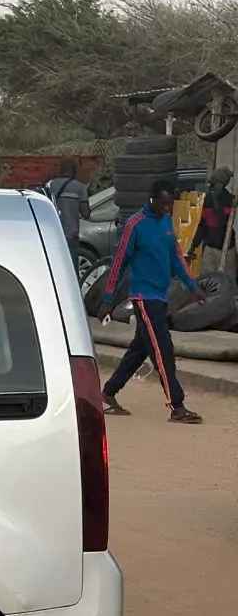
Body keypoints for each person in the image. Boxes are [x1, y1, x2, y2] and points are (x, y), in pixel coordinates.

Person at [101, 179, 203, 424]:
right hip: (144, 297)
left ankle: (108, 393)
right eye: (164, 203)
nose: (167, 208)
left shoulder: (166, 221)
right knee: (162, 349)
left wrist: (193, 287)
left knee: (141, 349)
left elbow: (176, 257)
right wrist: (108, 299)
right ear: (152, 199)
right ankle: (177, 406)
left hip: (161, 294)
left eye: (170, 204)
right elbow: (119, 263)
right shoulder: (135, 224)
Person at [44, 158, 91, 269]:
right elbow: (86, 213)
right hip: (71, 233)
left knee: (54, 266)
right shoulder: (79, 187)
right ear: (74, 171)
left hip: (52, 234)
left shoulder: (50, 186)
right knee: (70, 268)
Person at [193, 166, 234, 262]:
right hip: (209, 248)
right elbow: (202, 226)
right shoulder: (207, 200)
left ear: (221, 185)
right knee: (207, 276)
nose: (210, 187)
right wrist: (194, 245)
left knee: (227, 277)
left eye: (213, 185)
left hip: (227, 250)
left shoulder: (231, 201)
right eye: (210, 184)